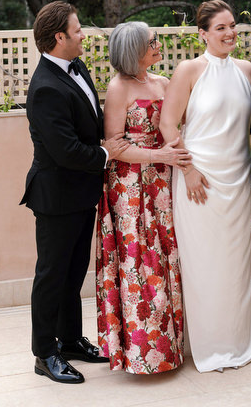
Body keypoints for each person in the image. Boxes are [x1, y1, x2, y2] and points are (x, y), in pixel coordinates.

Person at [20, 1, 128, 384]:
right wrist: (105, 153)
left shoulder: (75, 67)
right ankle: (44, 353)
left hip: (82, 192)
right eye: (78, 30)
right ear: (58, 37)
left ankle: (68, 341)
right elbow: (65, 150)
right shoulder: (45, 87)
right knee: (51, 274)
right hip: (56, 196)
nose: (84, 34)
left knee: (73, 270)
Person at [159, 0, 251, 373]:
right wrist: (188, 170)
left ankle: (239, 344)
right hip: (198, 181)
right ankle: (210, 347)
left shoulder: (248, 70)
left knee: (236, 266)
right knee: (205, 266)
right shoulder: (189, 70)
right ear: (202, 33)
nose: (230, 32)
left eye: (232, 25)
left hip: (238, 181)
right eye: (220, 28)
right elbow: (168, 126)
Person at [96, 21, 190, 374]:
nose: (158, 44)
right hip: (130, 188)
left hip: (164, 183)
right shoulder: (118, 88)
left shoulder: (165, 83)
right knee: (139, 262)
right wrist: (159, 156)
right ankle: (141, 353)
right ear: (134, 49)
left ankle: (172, 348)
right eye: (152, 41)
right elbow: (114, 145)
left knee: (167, 257)